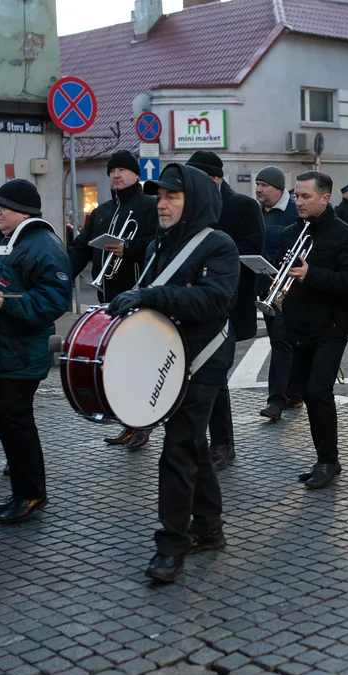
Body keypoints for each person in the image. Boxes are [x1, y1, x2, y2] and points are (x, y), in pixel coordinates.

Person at [104, 163, 239, 583]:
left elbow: (214, 301)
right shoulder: (159, 243)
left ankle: (171, 545)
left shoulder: (219, 245)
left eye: (172, 197)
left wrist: (150, 295)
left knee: (178, 446)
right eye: (159, 196)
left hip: (203, 356)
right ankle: (210, 528)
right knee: (192, 443)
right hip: (167, 354)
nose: (161, 204)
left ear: (193, 200)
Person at [0, 179, 72, 523]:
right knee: (9, 420)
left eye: (3, 206)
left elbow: (55, 300)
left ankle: (32, 494)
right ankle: (22, 490)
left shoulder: (44, 244)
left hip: (22, 351)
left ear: (23, 211)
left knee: (16, 422)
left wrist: (8, 305)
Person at [278, 171, 348, 490]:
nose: (298, 201)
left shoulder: (345, 234)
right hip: (298, 324)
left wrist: (311, 274)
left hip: (331, 327)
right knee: (308, 394)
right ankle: (323, 459)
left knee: (318, 391)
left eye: (305, 197)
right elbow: (283, 272)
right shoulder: (291, 232)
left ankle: (329, 461)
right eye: (295, 196)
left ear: (325, 198)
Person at [67, 150, 159, 450]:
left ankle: (143, 425)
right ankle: (128, 422)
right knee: (117, 364)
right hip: (108, 299)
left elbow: (159, 244)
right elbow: (81, 248)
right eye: (111, 170)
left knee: (139, 364)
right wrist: (60, 273)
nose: (115, 175)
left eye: (122, 169)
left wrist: (129, 248)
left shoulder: (150, 206)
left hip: (138, 296)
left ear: (135, 174)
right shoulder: (101, 212)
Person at [186, 150, 264, 471]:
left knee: (215, 376)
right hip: (195, 304)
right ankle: (203, 442)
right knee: (200, 375)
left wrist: (215, 250)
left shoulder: (244, 206)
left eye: (198, 178)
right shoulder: (190, 207)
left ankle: (222, 443)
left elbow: (253, 250)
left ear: (216, 178)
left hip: (228, 303)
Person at [255, 166, 303, 419]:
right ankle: (294, 394)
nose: (259, 189)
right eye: (257, 184)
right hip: (266, 291)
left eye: (263, 185)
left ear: (277, 188)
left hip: (291, 292)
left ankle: (276, 400)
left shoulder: (295, 212)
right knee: (283, 341)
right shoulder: (258, 213)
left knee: (281, 343)